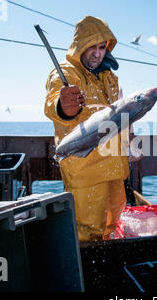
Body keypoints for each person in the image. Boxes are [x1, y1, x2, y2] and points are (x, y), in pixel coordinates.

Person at [44, 16, 130, 242]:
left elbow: (117, 114)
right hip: (85, 169)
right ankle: (85, 272)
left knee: (111, 224)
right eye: (91, 46)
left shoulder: (110, 76)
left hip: (115, 165)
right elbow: (53, 104)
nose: (97, 53)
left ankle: (105, 264)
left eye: (102, 47)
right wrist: (63, 106)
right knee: (86, 231)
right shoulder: (66, 73)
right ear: (79, 45)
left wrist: (128, 138)